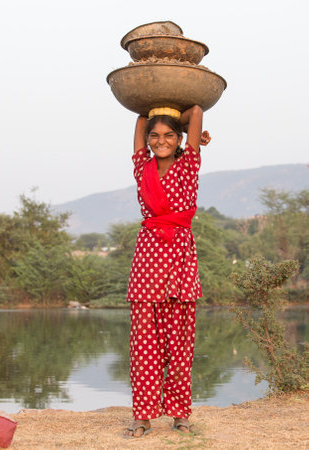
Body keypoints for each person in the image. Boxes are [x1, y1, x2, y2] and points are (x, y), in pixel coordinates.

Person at [124, 105, 211, 438]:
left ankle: (180, 415)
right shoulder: (140, 167)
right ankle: (142, 418)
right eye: (155, 137)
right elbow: (140, 119)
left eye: (169, 135)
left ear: (179, 140)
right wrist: (154, 109)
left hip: (180, 261)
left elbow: (198, 108)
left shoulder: (190, 162)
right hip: (147, 263)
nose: (161, 141)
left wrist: (188, 126)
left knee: (180, 347)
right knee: (143, 347)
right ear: (147, 141)